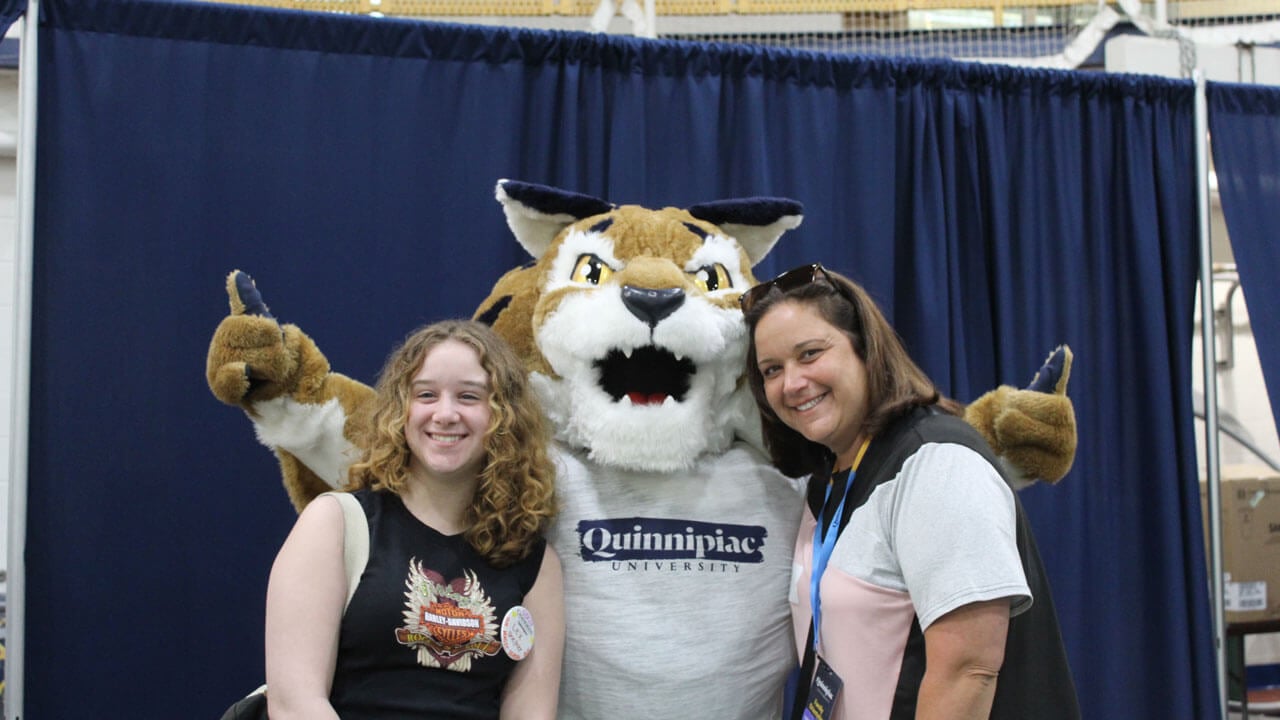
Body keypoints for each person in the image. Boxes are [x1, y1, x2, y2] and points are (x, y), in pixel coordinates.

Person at [741, 264, 1079, 720]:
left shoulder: (937, 461)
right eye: (772, 369)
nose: (792, 383)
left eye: (810, 354)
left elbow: (969, 670)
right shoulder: (829, 479)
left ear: (865, 349)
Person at [263, 319, 564, 720]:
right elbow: (294, 703)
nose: (445, 414)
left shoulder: (534, 564)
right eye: (426, 394)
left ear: (503, 415)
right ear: (400, 410)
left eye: (469, 397)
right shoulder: (336, 524)